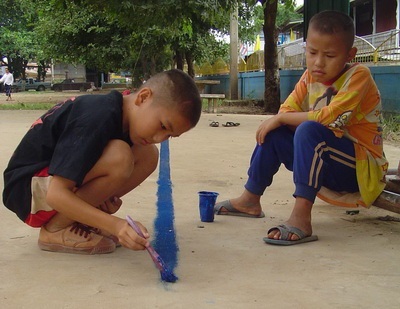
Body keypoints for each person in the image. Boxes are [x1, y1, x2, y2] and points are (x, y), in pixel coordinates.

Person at [214, 10, 388, 245]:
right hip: (328, 162)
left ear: (349, 54)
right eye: (313, 52)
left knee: (307, 128)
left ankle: (301, 217)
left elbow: (329, 117)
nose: (318, 62)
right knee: (275, 131)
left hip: (359, 169)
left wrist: (283, 119)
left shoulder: (359, 76)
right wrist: (280, 120)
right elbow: (286, 110)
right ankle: (250, 199)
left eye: (329, 55)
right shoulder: (310, 77)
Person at [3, 69, 202, 254]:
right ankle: (55, 229)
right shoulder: (97, 115)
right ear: (143, 97)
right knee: (119, 156)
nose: (159, 138)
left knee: (148, 155)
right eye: (162, 126)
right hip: (26, 192)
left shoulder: (121, 114)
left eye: (170, 135)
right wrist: (115, 225)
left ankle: (82, 217)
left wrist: (102, 200)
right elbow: (56, 195)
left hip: (45, 182)